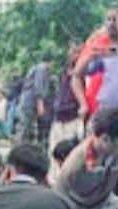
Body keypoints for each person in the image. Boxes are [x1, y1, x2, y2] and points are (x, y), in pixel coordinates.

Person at [71, 6, 118, 120]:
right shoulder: (95, 44)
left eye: (115, 20)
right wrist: (83, 104)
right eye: (109, 19)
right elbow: (76, 76)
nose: (112, 23)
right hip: (95, 112)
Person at [50, 44, 87, 182]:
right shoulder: (64, 72)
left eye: (78, 52)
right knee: (55, 150)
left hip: (74, 116)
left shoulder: (85, 71)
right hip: (59, 116)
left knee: (71, 151)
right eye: (72, 52)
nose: (74, 55)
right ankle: (54, 180)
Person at [17, 53, 54, 148]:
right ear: (50, 61)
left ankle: (22, 148)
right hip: (30, 102)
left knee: (26, 127)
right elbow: (39, 86)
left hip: (26, 101)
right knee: (26, 128)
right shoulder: (42, 69)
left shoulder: (35, 68)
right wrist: (40, 104)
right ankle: (22, 150)